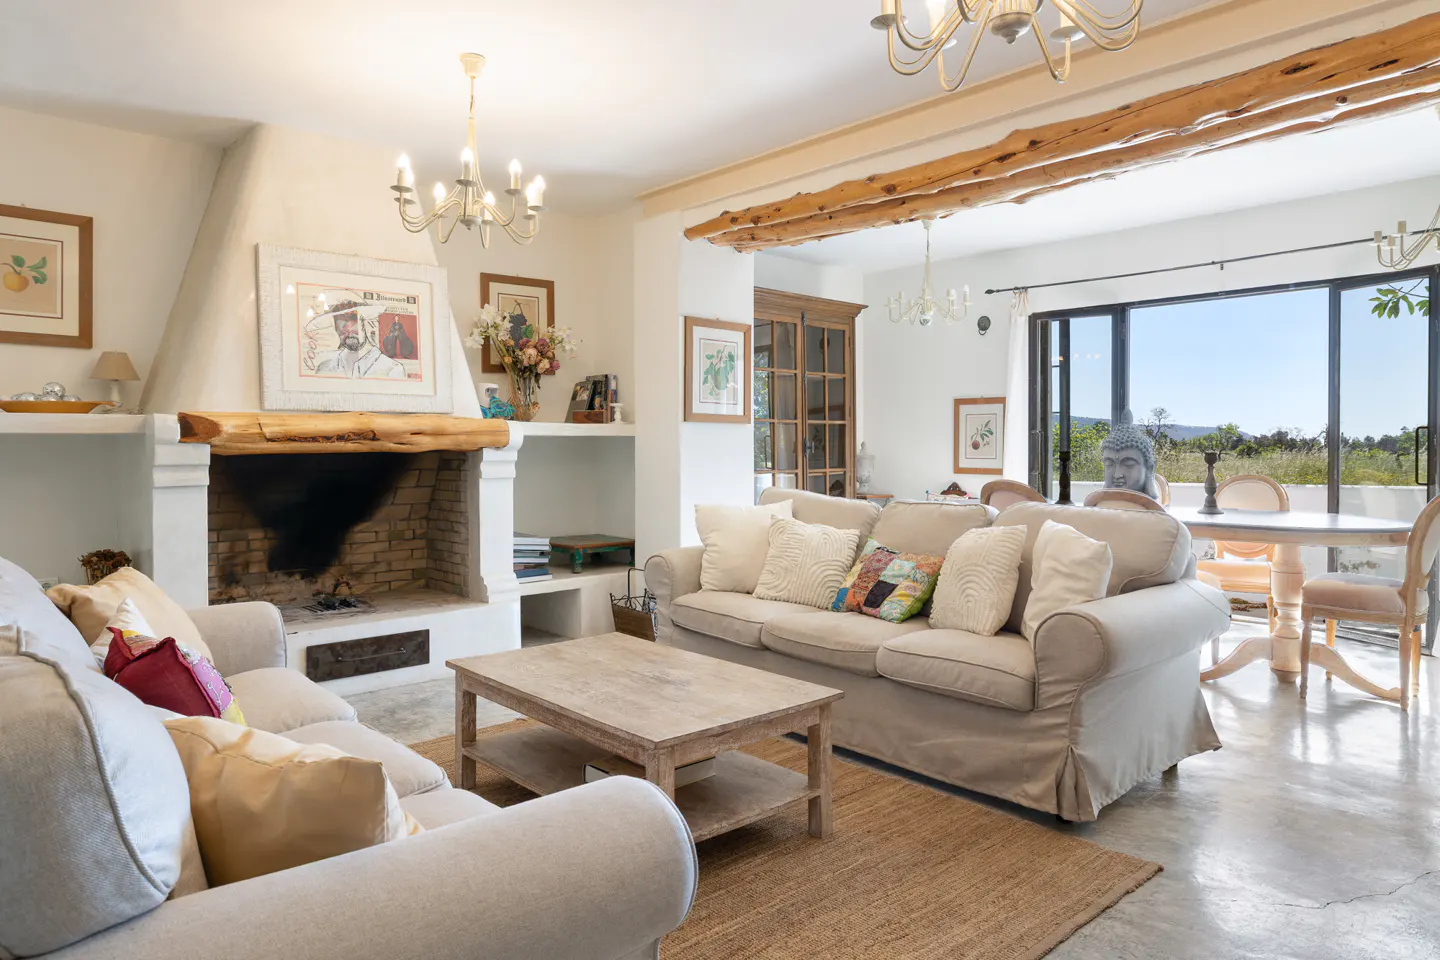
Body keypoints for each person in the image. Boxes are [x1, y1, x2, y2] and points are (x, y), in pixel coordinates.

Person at [309, 301, 406, 379]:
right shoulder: (325, 368)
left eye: (354, 330)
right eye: (343, 332)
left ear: (364, 325)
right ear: (336, 330)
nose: (349, 335)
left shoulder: (392, 369)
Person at [1099, 409, 1160, 500]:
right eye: (1109, 464)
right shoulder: (1097, 506)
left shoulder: (1152, 512)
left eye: (1128, 465)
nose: (1117, 475)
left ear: (1150, 468)